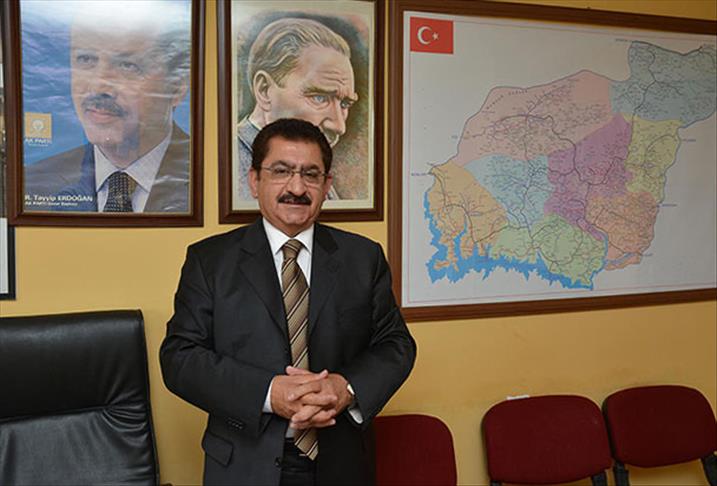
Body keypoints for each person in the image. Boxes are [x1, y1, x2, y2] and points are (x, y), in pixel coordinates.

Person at [161, 118, 416, 485]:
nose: (297, 188)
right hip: (243, 465)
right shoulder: (210, 261)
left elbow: (396, 345)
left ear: (326, 185)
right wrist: (268, 393)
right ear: (254, 180)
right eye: (281, 171)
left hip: (341, 462)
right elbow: (180, 358)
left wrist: (345, 388)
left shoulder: (363, 258)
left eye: (311, 175)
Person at [23, 3, 191, 213]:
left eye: (127, 66)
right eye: (86, 60)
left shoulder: (210, 177)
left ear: (177, 87)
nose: (98, 87)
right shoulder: (35, 183)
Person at [235, 17, 359, 201]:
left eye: (344, 104)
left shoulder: (318, 175)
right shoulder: (232, 164)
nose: (339, 126)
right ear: (264, 90)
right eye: (319, 98)